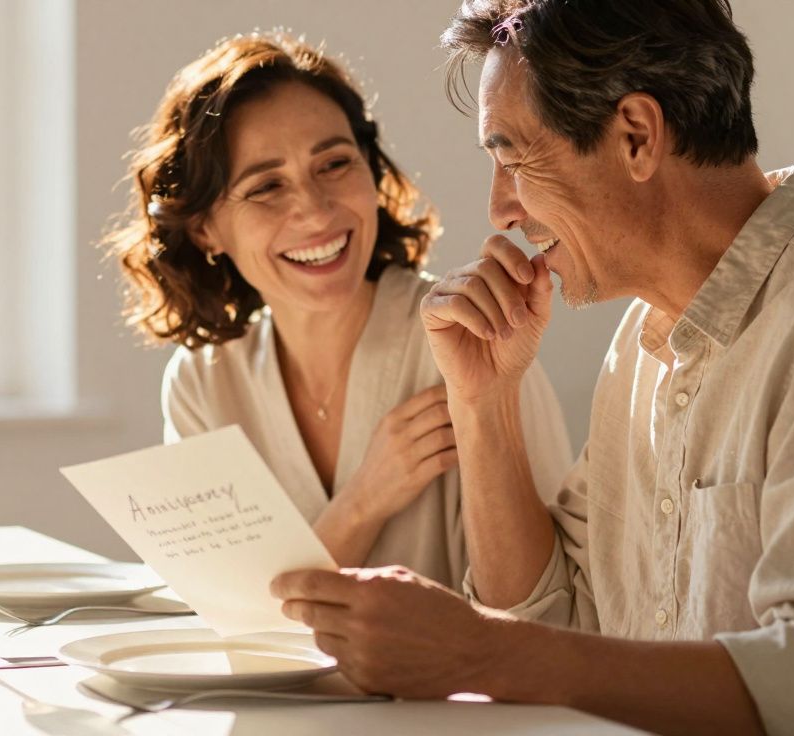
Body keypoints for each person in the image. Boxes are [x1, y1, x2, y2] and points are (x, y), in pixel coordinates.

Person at [271, 2, 794, 734]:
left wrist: (480, 655)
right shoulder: (640, 339)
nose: (500, 208)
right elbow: (557, 620)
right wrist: (484, 402)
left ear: (636, 135)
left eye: (511, 160)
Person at [104, 32, 573, 588]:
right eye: (266, 186)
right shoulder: (204, 383)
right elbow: (233, 619)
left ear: (370, 172)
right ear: (205, 228)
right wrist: (364, 500)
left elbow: (547, 610)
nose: (315, 209)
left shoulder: (474, 341)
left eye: (334, 164)